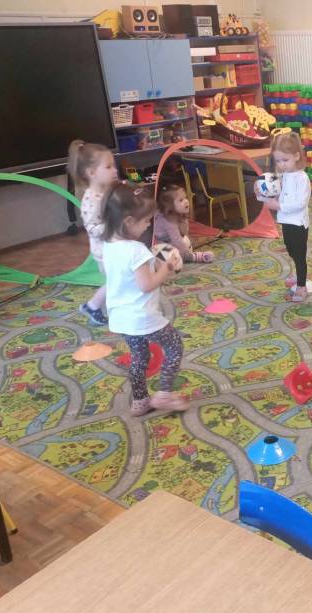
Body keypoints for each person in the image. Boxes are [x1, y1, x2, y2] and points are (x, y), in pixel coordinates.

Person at [101, 182, 188, 417]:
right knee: (174, 346)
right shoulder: (136, 250)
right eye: (146, 221)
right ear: (129, 221)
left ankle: (140, 401)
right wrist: (166, 267)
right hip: (143, 316)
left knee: (140, 357)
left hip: (121, 318)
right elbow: (147, 284)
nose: (149, 224)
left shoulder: (108, 246)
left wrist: (153, 263)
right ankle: (164, 393)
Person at [255, 131, 311, 302]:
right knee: (290, 249)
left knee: (299, 255)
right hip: (286, 221)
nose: (281, 164)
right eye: (278, 161)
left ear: (296, 156)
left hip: (298, 223)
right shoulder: (282, 176)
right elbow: (273, 194)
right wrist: (260, 194)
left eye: (285, 160)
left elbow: (301, 203)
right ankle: (298, 274)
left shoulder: (302, 178)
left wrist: (279, 206)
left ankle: (301, 286)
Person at [68, 139, 116, 325]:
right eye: (109, 167)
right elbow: (93, 228)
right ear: (91, 173)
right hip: (104, 252)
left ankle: (104, 308)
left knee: (119, 280)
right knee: (115, 282)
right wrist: (114, 224)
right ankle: (93, 306)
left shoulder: (105, 192)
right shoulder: (91, 199)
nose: (115, 170)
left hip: (113, 247)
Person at [155, 184, 214, 264]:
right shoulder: (169, 221)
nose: (186, 201)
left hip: (171, 241)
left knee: (185, 241)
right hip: (160, 243)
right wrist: (187, 253)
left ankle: (185, 256)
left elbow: (184, 233)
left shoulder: (179, 213)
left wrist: (184, 219)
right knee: (172, 252)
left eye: (185, 198)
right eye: (181, 200)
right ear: (170, 206)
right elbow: (177, 240)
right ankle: (192, 257)